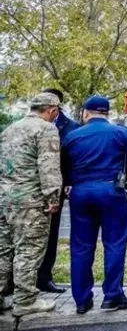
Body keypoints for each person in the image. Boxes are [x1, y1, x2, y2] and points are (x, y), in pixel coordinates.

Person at [61, 96, 127, 315]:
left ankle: (82, 300)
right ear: (106, 114)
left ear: (86, 113)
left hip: (80, 193)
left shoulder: (72, 136)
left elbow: (63, 165)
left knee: (81, 247)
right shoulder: (121, 133)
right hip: (110, 191)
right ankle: (112, 296)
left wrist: (72, 182)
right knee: (115, 244)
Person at [0, 93, 63, 317]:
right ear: (51, 110)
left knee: (4, 250)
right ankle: (25, 300)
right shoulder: (46, 129)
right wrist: (53, 197)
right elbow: (48, 167)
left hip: (5, 198)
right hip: (30, 201)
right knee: (29, 249)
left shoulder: (10, 129)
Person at [36, 88, 80, 294]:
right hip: (29, 188)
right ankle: (18, 281)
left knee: (51, 234)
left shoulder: (71, 128)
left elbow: (74, 160)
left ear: (56, 106)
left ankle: (44, 278)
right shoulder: (30, 124)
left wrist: (69, 184)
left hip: (55, 189)